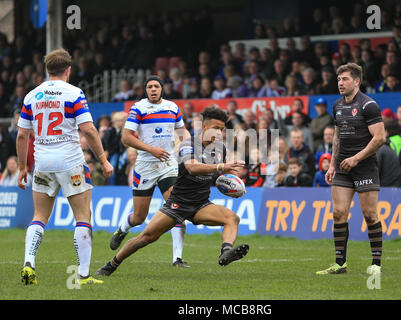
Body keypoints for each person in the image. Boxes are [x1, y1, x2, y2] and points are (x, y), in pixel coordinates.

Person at [94, 107, 249, 277]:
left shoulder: (219, 148)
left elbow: (226, 171)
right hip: (177, 204)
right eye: (216, 129)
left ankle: (225, 252)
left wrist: (236, 182)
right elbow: (192, 167)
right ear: (205, 128)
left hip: (201, 204)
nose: (220, 133)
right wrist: (221, 167)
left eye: (222, 129)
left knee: (232, 218)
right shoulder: (188, 145)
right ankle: (111, 264)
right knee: (146, 237)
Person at [17, 49, 114, 285]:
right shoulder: (74, 93)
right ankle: (82, 274)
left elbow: (22, 135)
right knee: (83, 217)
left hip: (42, 163)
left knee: (39, 216)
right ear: (68, 70)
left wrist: (22, 168)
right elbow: (89, 130)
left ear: (47, 70)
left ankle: (29, 262)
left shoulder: (32, 96)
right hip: (71, 163)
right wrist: (103, 159)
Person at [108, 76, 192, 268]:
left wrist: (187, 144)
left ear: (162, 89)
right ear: (146, 90)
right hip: (145, 166)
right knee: (139, 217)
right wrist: (151, 149)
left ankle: (177, 258)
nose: (153, 89)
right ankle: (122, 229)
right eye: (149, 87)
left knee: (176, 208)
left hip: (168, 164)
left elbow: (182, 131)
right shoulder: (138, 108)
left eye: (156, 86)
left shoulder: (172, 107)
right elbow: (126, 138)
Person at [317, 63, 385, 275]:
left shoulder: (368, 105)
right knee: (338, 213)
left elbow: (380, 138)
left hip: (364, 167)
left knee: (370, 215)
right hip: (343, 168)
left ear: (357, 81)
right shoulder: (337, 105)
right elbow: (337, 137)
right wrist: (333, 165)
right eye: (339, 79)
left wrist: (356, 158)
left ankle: (376, 264)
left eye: (345, 79)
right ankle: (340, 264)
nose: (340, 83)